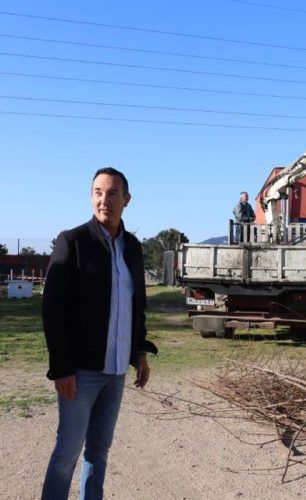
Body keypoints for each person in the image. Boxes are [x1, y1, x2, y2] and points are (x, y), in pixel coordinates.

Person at [41, 167, 158, 500]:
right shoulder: (73, 241)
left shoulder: (133, 247)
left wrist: (139, 352)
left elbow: (137, 305)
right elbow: (53, 309)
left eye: (111, 193)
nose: (103, 200)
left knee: (99, 452)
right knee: (67, 452)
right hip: (80, 372)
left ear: (127, 199)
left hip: (117, 370)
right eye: (97, 192)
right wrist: (61, 367)